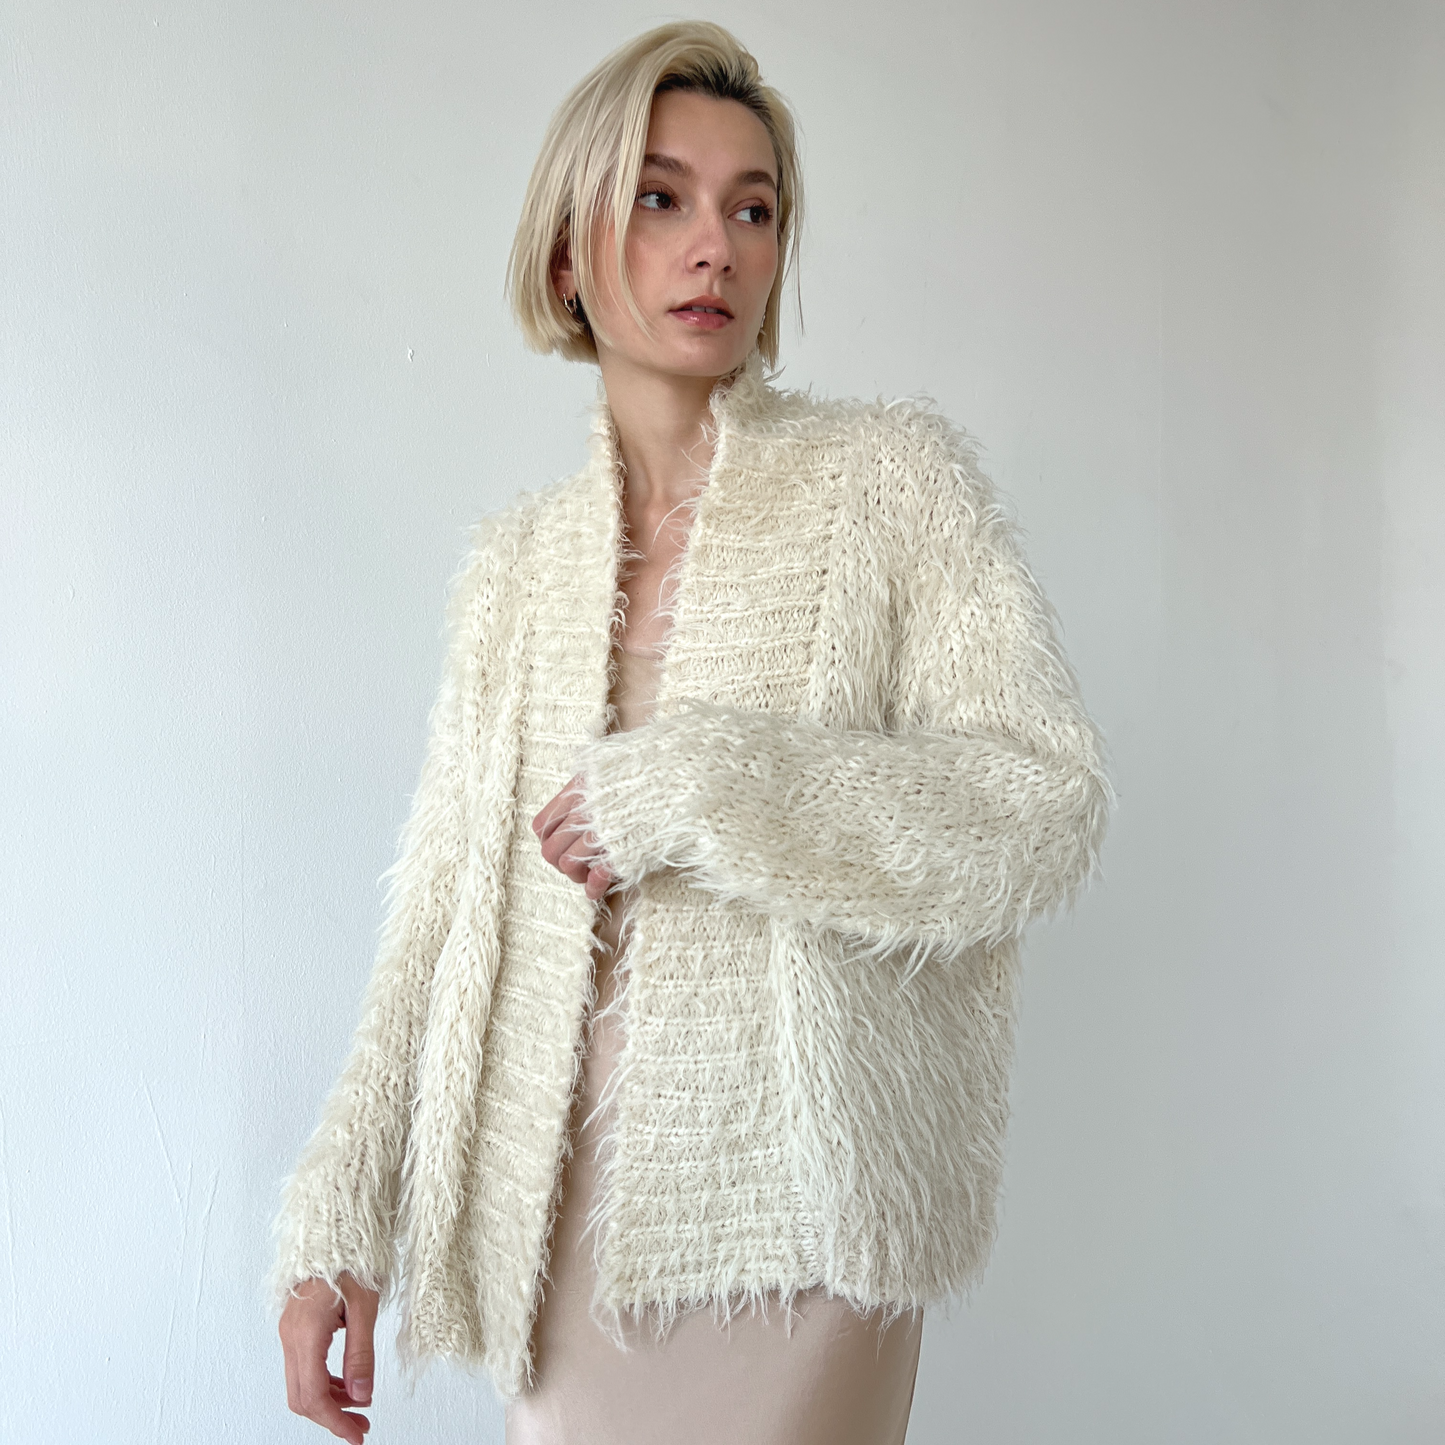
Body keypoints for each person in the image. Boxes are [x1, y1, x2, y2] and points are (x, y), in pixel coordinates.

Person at [271, 20, 1113, 1445]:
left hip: (799, 1222)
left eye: (753, 208)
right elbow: (438, 925)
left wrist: (711, 786)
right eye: (661, 198)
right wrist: (339, 1220)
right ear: (568, 255)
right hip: (553, 1221)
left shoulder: (889, 488)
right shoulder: (516, 573)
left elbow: (1042, 804)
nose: (714, 245)